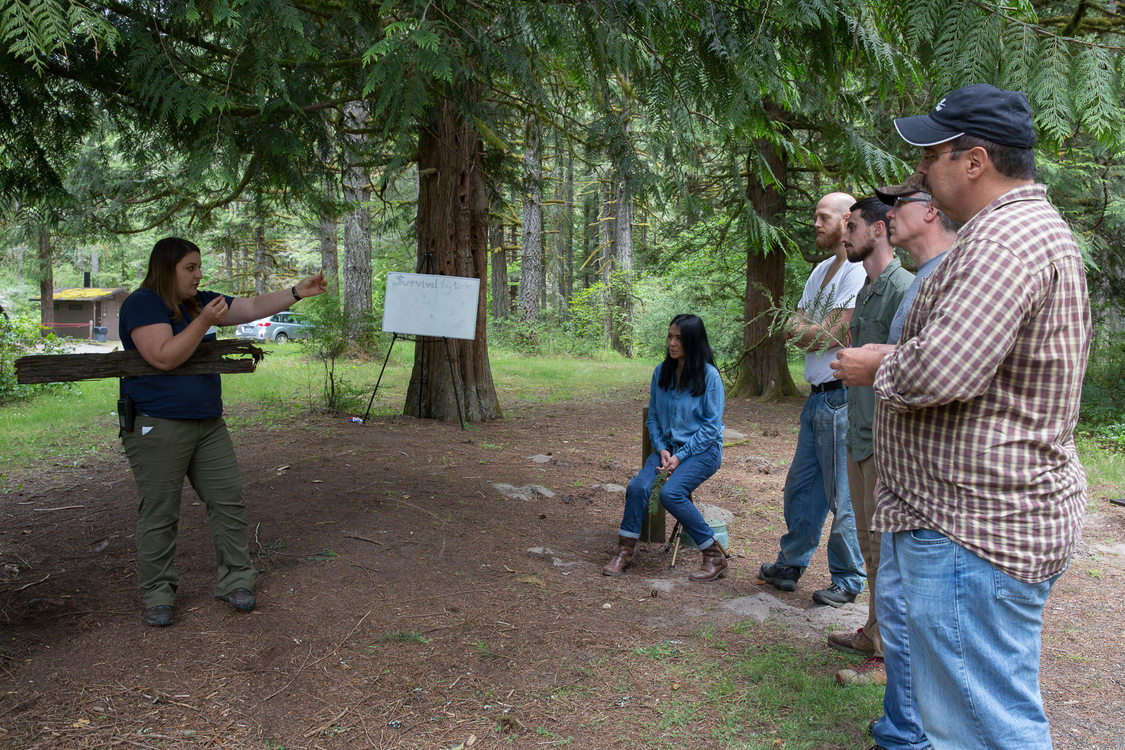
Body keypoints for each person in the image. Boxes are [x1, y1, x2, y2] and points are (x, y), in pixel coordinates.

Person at [839, 84, 1090, 749]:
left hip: (969, 531)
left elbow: (945, 370)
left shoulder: (1001, 243)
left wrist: (875, 367)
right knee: (976, 717)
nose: (920, 170)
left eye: (932, 154)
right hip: (974, 524)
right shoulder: (1016, 234)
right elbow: (975, 358)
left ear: (973, 161)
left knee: (982, 731)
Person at [119, 237, 327, 627]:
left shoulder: (200, 303)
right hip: (157, 424)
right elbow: (163, 356)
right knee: (161, 512)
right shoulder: (142, 304)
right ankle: (159, 592)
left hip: (208, 424)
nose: (199, 275)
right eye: (190, 268)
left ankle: (235, 581)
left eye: (199, 267)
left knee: (228, 501)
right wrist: (203, 322)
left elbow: (250, 307)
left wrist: (298, 291)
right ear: (167, 268)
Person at [759, 192, 868, 605]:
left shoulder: (855, 272)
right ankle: (791, 564)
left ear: (847, 220)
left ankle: (848, 577)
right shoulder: (821, 270)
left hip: (842, 397)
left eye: (824, 217)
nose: (816, 224)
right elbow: (796, 325)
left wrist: (808, 330)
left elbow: (835, 334)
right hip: (816, 397)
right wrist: (809, 329)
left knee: (843, 495)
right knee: (801, 488)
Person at [826, 197, 913, 687]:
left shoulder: (905, 287)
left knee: (885, 550)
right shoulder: (866, 290)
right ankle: (871, 633)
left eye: (852, 226)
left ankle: (885, 658)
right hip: (858, 435)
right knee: (866, 545)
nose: (845, 235)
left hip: (886, 440)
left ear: (879, 230)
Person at [603, 313, 727, 582]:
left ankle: (713, 554)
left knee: (670, 493)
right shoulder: (662, 372)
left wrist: (681, 456)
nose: (672, 343)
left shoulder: (709, 376)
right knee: (638, 487)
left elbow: (711, 428)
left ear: (693, 342)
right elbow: (654, 418)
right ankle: (624, 552)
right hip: (667, 451)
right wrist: (661, 449)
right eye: (670, 336)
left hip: (703, 452)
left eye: (679, 338)